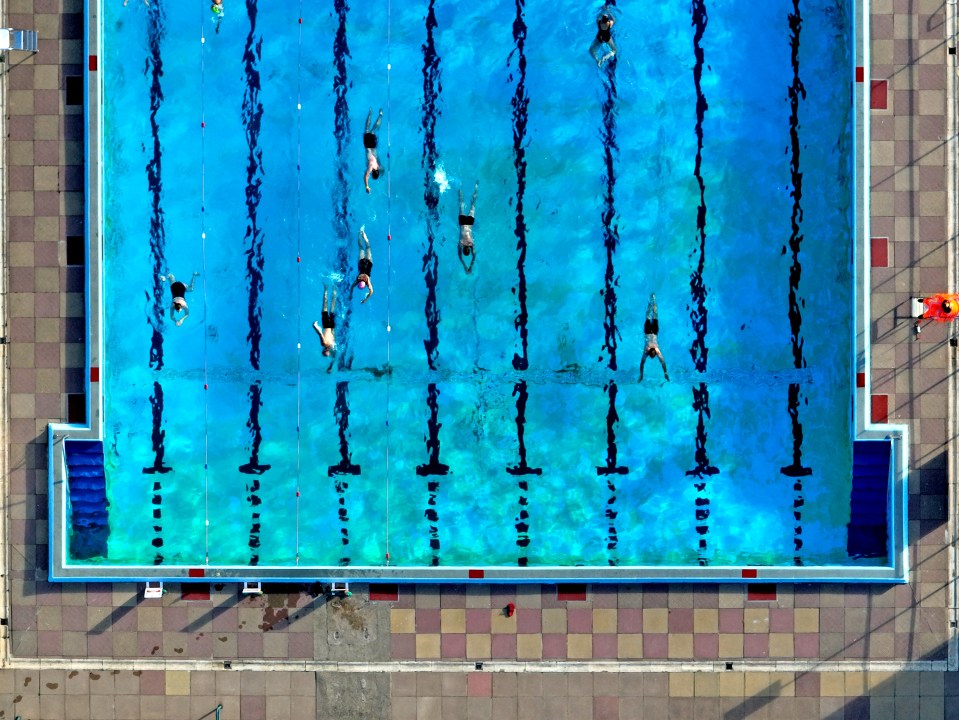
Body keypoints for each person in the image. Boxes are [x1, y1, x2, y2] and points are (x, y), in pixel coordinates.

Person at [639, 293, 669, 382]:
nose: (652, 352)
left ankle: (650, 302)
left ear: (649, 353)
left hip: (647, 332)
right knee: (655, 315)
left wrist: (641, 374)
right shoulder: (657, 350)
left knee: (648, 316)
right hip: (655, 332)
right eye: (653, 353)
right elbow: (662, 362)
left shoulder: (645, 351)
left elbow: (642, 364)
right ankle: (654, 300)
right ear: (655, 352)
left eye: (650, 353)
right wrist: (665, 372)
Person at [457, 181, 479, 274]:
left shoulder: (471, 243)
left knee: (473, 205)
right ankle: (460, 186)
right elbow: (460, 256)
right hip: (462, 222)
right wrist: (465, 266)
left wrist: (469, 266)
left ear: (469, 250)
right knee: (461, 204)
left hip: (469, 223)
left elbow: (474, 256)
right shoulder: (460, 244)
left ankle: (476, 187)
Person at [363, 108, 384, 193]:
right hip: (368, 146)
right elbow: (366, 176)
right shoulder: (371, 166)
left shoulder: (378, 166)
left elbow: (383, 169)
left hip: (373, 146)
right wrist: (367, 186)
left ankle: (380, 115)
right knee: (367, 129)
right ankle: (370, 114)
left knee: (373, 130)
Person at [312, 287, 337, 357]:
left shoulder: (332, 345)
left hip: (332, 325)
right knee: (325, 305)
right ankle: (326, 289)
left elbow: (333, 333)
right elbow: (320, 333)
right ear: (323, 350)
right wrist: (314, 326)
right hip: (326, 324)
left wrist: (331, 366)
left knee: (332, 307)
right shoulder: (324, 343)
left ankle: (335, 289)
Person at [353, 228, 374, 303]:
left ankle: (362, 234)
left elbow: (371, 291)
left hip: (369, 263)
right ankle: (360, 234)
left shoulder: (367, 282)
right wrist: (350, 293)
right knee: (361, 248)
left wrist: (365, 299)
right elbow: (352, 287)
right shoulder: (357, 279)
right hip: (361, 262)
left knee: (368, 246)